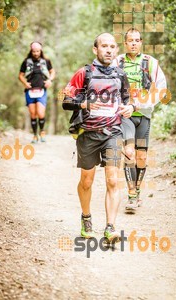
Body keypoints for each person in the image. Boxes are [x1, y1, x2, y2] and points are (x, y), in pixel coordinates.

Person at [62, 33, 134, 242]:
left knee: (112, 180)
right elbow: (65, 100)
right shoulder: (84, 73)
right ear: (96, 49)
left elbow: (127, 101)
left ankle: (110, 228)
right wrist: (83, 104)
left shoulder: (120, 75)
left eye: (112, 46)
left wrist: (129, 108)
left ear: (116, 50)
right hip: (88, 134)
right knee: (87, 180)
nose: (109, 50)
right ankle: (86, 218)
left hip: (113, 132)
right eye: (104, 46)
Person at [115, 28, 167, 212]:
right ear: (125, 43)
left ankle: (137, 191)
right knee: (129, 152)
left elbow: (161, 89)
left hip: (143, 115)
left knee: (141, 156)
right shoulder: (117, 61)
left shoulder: (150, 62)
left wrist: (140, 104)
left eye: (137, 40)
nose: (134, 43)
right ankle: (130, 195)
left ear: (141, 42)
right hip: (125, 117)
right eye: (130, 40)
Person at [19, 42, 55, 143]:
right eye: (34, 51)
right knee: (33, 114)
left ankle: (42, 132)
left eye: (37, 51)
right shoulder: (26, 61)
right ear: (31, 51)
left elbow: (52, 72)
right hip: (30, 91)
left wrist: (50, 80)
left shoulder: (46, 61)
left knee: (40, 112)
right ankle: (35, 135)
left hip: (41, 90)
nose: (36, 53)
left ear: (41, 51)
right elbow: (20, 75)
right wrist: (25, 83)